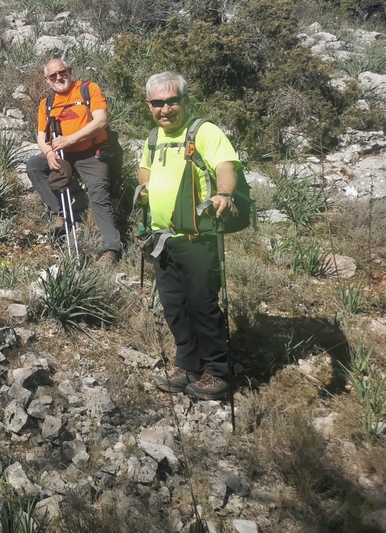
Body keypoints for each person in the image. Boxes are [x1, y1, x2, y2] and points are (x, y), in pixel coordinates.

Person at [139, 72, 239, 400]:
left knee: (201, 304)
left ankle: (217, 371)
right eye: (158, 103)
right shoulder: (154, 137)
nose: (165, 109)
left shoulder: (203, 131)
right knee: (173, 305)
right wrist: (145, 188)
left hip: (198, 235)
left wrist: (224, 194)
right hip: (162, 237)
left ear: (184, 100)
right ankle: (188, 363)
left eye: (172, 101)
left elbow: (226, 165)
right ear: (149, 104)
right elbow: (146, 169)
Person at [25, 58, 122, 266]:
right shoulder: (46, 103)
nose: (59, 77)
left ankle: (111, 249)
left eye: (62, 72)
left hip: (91, 153)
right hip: (63, 155)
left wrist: (70, 139)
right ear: (46, 79)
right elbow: (41, 137)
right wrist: (49, 153)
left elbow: (101, 121)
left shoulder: (88, 89)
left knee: (98, 193)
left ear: (70, 70)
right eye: (53, 75)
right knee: (34, 165)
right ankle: (59, 214)